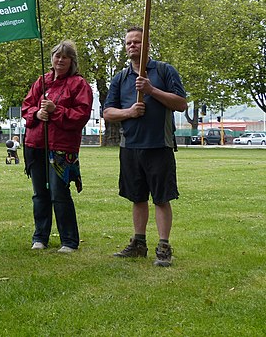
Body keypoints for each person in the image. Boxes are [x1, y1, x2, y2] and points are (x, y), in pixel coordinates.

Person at [103, 26, 187, 267]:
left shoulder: (164, 71)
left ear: (147, 44)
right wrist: (129, 112)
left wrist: (151, 90)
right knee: (137, 197)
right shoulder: (121, 78)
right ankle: (139, 244)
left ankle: (164, 246)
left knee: (161, 198)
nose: (132, 46)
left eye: (137, 42)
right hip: (130, 147)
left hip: (159, 145)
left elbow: (181, 103)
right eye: (128, 42)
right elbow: (108, 112)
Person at [22, 40, 92, 253]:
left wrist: (56, 110)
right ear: (52, 58)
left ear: (72, 61)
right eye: (57, 56)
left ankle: (69, 240)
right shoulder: (41, 82)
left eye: (65, 57)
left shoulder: (79, 84)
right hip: (35, 145)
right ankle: (40, 237)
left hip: (61, 147)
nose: (60, 60)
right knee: (39, 193)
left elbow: (81, 115)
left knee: (59, 193)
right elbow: (26, 106)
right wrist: (36, 113)